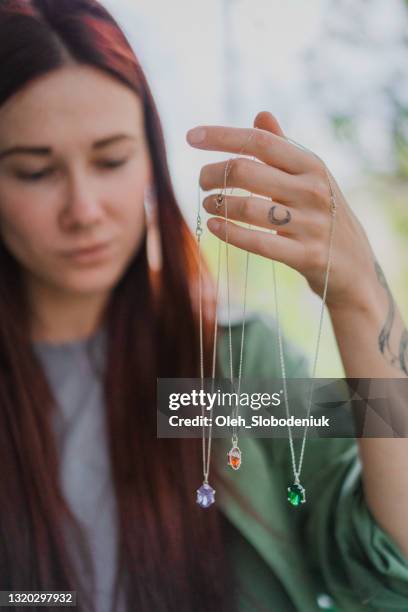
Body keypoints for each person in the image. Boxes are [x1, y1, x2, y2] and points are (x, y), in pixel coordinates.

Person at [0, 1, 407, 611]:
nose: (83, 209)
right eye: (34, 171)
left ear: (151, 162)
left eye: (111, 160)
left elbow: (390, 559)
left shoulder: (223, 372)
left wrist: (358, 297)